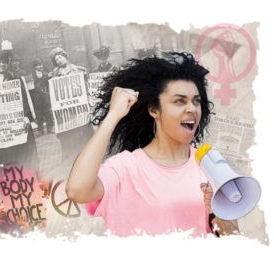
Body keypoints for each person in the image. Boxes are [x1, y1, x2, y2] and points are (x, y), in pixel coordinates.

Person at [66, 51, 239, 237]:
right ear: (154, 110)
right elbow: (77, 190)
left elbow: (233, 238)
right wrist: (114, 115)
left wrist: (220, 212)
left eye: (196, 102)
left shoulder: (208, 164)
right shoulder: (125, 167)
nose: (192, 109)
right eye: (180, 101)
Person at [0, 51, 39, 172]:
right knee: (3, 152)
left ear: (8, 64)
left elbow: (24, 98)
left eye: (4, 62)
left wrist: (26, 116)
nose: (2, 65)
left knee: (20, 149)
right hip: (0, 123)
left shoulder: (15, 79)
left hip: (15, 120)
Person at [48, 47, 94, 160]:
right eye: (56, 59)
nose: (59, 60)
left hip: (79, 110)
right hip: (65, 113)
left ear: (65, 56)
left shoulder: (79, 70)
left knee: (83, 136)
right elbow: (53, 94)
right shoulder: (53, 75)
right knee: (68, 139)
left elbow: (87, 88)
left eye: (60, 57)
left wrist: (89, 101)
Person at [30, 58, 53, 136]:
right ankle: (40, 130)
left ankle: (50, 128)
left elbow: (49, 84)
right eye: (39, 65)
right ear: (35, 67)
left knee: (47, 111)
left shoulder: (46, 74)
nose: (41, 66)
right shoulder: (31, 76)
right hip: (36, 96)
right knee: (38, 113)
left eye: (41, 64)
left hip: (45, 94)